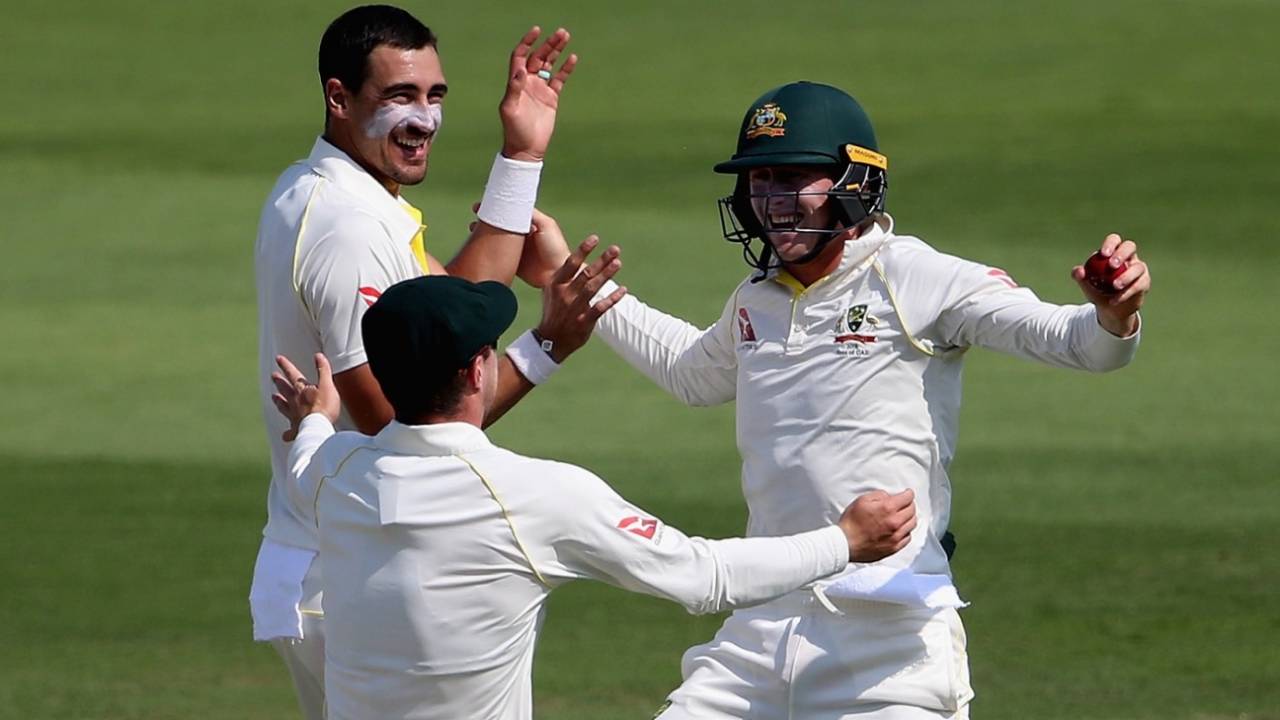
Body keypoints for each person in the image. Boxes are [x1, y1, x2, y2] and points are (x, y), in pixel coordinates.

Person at [583, 81, 1152, 719]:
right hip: (759, 629)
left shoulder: (916, 276)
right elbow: (693, 375)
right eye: (760, 179)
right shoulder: (756, 299)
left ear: (855, 181)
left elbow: (1078, 345)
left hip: (890, 639)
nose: (772, 201)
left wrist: (1113, 315)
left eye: (794, 177)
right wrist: (582, 286)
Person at [266, 273, 919, 720]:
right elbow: (704, 578)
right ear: (475, 370)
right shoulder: (535, 496)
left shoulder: (335, 473)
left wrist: (315, 413)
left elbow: (307, 452)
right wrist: (846, 541)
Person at [248, 6, 622, 718]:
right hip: (351, 572)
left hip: (344, 557)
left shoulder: (335, 191)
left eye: (435, 97)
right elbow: (405, 420)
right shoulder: (348, 227)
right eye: (399, 97)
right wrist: (545, 349)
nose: (423, 119)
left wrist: (520, 154)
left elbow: (455, 305)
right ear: (338, 98)